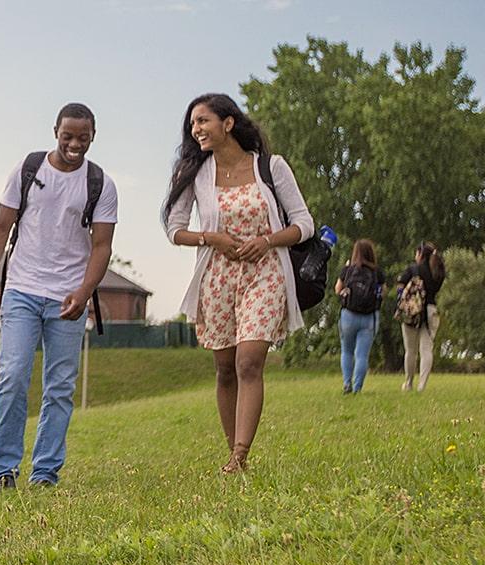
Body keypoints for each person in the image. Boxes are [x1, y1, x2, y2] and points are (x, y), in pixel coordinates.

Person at [160, 93, 314, 474]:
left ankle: (240, 453)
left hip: (265, 273)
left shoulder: (271, 167)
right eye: (193, 124)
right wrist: (211, 238)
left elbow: (304, 223)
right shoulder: (195, 174)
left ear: (228, 123)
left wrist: (267, 241)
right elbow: (174, 229)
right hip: (217, 277)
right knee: (225, 368)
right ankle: (235, 456)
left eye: (203, 121)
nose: (196, 130)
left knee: (248, 362)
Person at [0, 103, 117, 490]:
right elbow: (1, 226)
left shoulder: (100, 183)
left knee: (60, 387)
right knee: (13, 376)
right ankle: (5, 469)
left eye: (82, 138)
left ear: (93, 136)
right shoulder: (28, 169)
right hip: (21, 289)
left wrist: (84, 292)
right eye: (67, 136)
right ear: (55, 130)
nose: (74, 144)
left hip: (68, 298)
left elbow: (102, 246)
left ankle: (45, 473)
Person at [334, 239, 384, 394]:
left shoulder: (348, 270)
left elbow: (337, 289)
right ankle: (357, 388)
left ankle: (347, 383)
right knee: (362, 355)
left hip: (348, 315)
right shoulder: (377, 272)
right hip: (369, 317)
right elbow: (383, 292)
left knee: (347, 351)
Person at [398, 241, 446, 392]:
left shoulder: (413, 269)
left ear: (420, 254)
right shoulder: (437, 271)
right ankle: (422, 386)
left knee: (410, 351)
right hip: (431, 311)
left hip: (412, 311)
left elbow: (400, 286)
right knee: (426, 350)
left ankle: (409, 383)